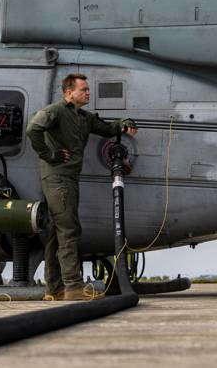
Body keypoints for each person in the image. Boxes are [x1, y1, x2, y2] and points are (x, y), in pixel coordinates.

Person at [26, 74, 137, 301]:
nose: (88, 93)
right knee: (69, 230)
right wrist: (49, 154)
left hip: (69, 180)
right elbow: (32, 129)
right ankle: (73, 287)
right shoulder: (55, 111)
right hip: (57, 179)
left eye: (88, 90)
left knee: (57, 234)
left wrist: (124, 125)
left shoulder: (83, 118)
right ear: (69, 92)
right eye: (84, 89)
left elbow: (107, 129)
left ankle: (54, 289)